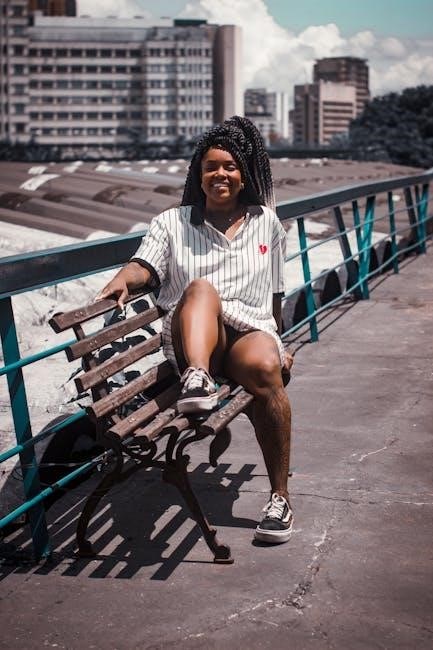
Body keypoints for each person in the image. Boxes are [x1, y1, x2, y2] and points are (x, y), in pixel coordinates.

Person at [96, 116, 294, 544]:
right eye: (211, 167)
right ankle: (199, 378)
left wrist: (281, 344)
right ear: (198, 174)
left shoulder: (267, 224)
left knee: (266, 369)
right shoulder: (171, 222)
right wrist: (124, 278)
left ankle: (280, 498)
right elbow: (144, 265)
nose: (220, 174)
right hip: (194, 340)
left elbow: (275, 297)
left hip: (246, 333)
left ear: (245, 175)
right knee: (202, 289)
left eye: (230, 166)